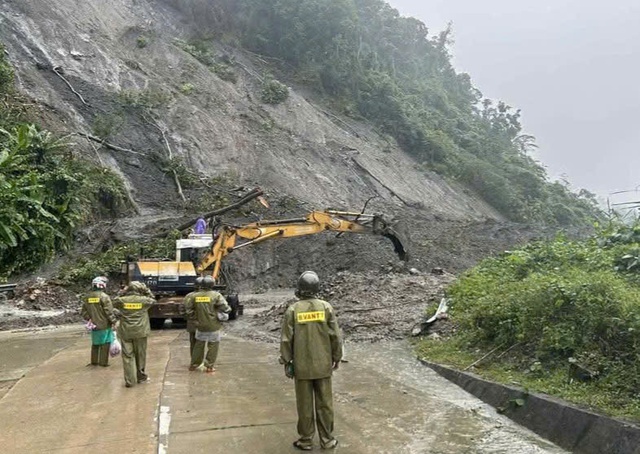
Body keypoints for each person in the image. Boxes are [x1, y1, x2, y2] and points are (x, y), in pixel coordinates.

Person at [280, 271, 342, 451]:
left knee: (304, 404)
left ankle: (306, 440)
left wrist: (286, 361)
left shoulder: (293, 310)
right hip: (323, 365)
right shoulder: (326, 307)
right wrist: (336, 357)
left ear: (299, 289)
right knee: (325, 404)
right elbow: (335, 337)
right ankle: (327, 440)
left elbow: (286, 339)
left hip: (302, 366)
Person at [113, 281, 156, 388]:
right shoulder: (144, 301)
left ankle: (130, 381)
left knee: (128, 356)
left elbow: (112, 302)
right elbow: (153, 300)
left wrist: (122, 292)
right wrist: (146, 290)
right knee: (140, 355)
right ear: (139, 290)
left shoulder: (121, 301)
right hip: (141, 332)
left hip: (126, 331)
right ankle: (140, 376)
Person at [184, 275, 231, 373]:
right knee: (213, 345)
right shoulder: (216, 295)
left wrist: (195, 319)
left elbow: (188, 311)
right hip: (213, 325)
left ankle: (194, 365)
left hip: (200, 325)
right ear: (212, 284)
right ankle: (209, 366)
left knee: (198, 345)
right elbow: (225, 308)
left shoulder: (194, 296)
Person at [81, 276, 116, 367]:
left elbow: (83, 312)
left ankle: (94, 362)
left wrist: (90, 319)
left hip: (93, 325)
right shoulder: (104, 297)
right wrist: (114, 321)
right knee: (105, 343)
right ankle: (103, 363)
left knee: (95, 343)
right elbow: (109, 311)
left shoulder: (87, 297)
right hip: (104, 324)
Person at [183, 276, 205, 357]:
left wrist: (187, 318)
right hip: (204, 322)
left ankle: (194, 360)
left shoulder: (189, 296)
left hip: (192, 322)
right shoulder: (206, 295)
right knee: (202, 342)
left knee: (193, 342)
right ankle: (201, 360)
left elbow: (182, 308)